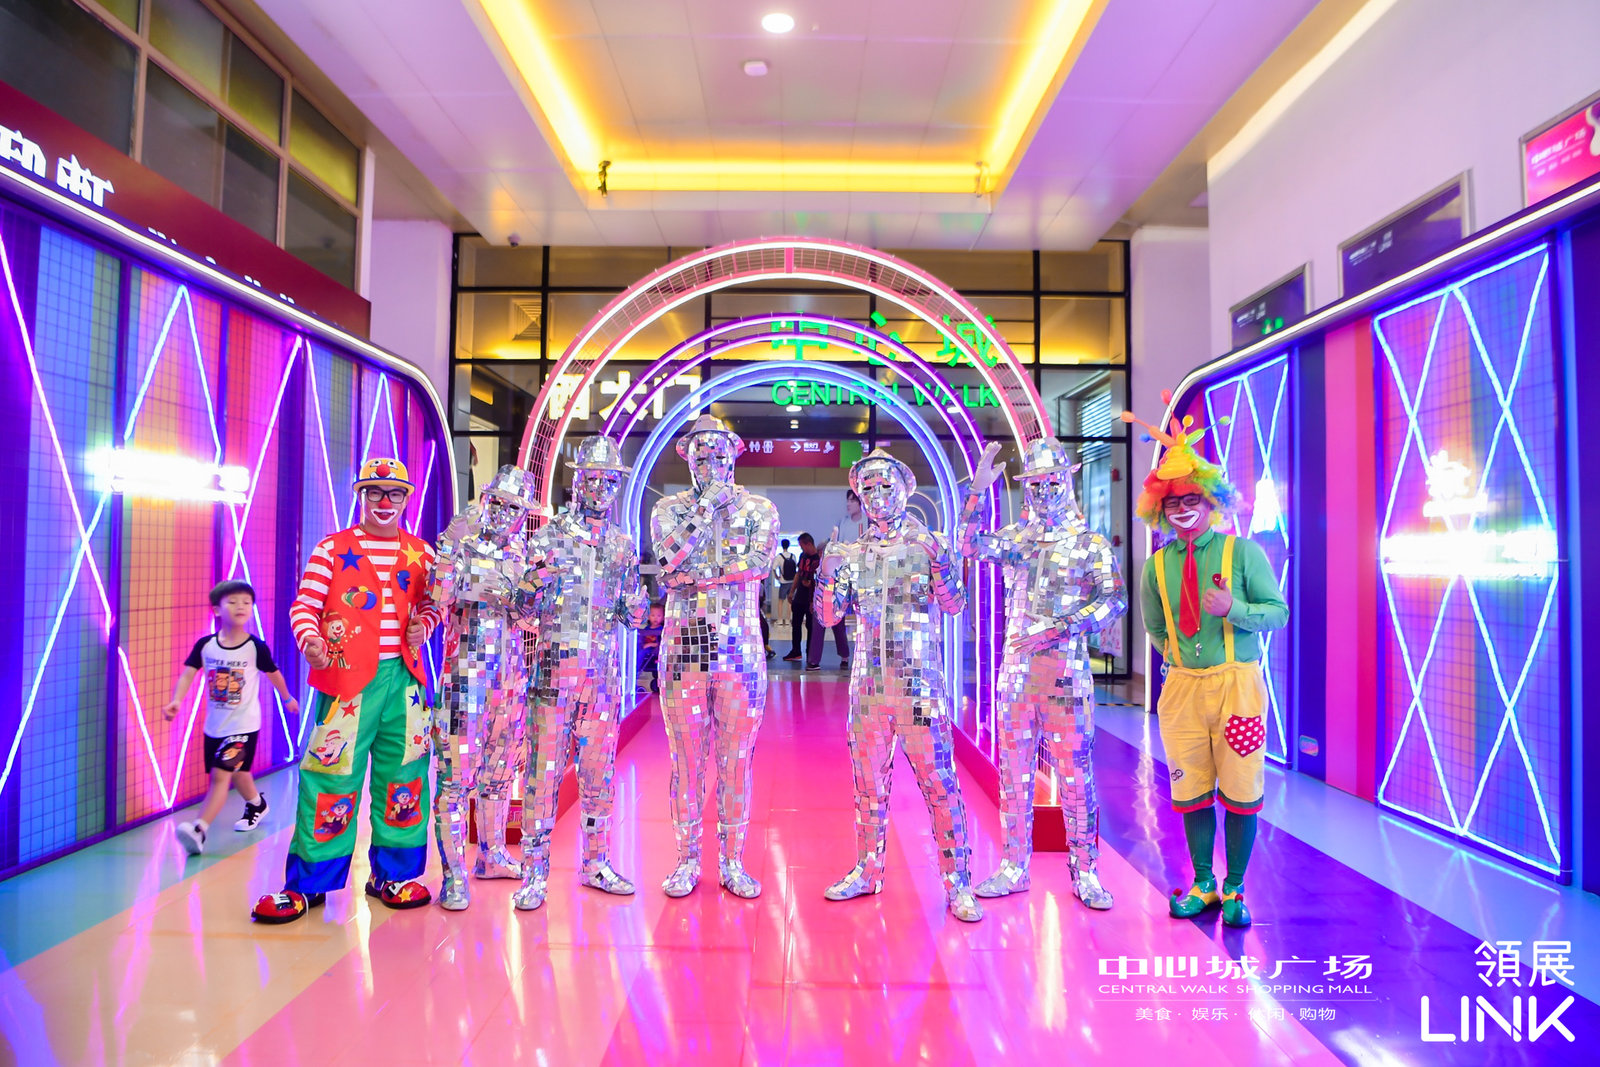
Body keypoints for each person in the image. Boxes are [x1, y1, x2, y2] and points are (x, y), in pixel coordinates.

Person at [251, 458, 441, 923]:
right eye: (374, 491)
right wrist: (310, 641)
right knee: (331, 777)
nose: (384, 501)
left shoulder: (422, 554)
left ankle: (393, 875)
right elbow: (304, 606)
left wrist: (425, 624)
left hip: (406, 683)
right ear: (361, 496)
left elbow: (434, 604)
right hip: (345, 685)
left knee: (405, 777)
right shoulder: (332, 549)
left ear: (406, 499)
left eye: (394, 493)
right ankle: (309, 883)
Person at [1123, 397, 1289, 928]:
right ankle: (1203, 883)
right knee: (1191, 789)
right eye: (1172, 502)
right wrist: (1178, 660)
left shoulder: (1244, 554)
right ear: (1159, 508)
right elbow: (1155, 627)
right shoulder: (1155, 566)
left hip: (1238, 687)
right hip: (1182, 689)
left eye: (1192, 498)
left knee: (1241, 789)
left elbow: (1278, 613)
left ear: (1211, 500)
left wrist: (1234, 609)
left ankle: (1236, 888)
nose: (1182, 509)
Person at [957, 440, 1126, 909]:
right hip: (1016, 676)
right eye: (1036, 485)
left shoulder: (1089, 543)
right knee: (1013, 776)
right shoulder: (1019, 539)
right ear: (1026, 489)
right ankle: (1014, 866)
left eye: (1053, 482)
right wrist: (977, 493)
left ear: (1067, 481)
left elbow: (1114, 600)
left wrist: (1063, 626)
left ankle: (1085, 871)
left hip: (1066, 675)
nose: (1045, 492)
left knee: (1075, 776)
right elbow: (968, 545)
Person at [817, 448, 983, 922]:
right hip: (868, 690)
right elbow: (829, 617)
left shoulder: (929, 544)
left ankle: (957, 883)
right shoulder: (852, 554)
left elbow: (954, 605)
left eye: (885, 485)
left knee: (940, 784)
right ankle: (867, 871)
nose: (876, 495)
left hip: (919, 687)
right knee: (867, 788)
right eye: (867, 488)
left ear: (905, 489)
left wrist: (942, 564)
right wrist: (827, 574)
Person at [514, 436, 649, 910]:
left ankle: (595, 862)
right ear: (577, 482)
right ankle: (534, 874)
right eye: (593, 479)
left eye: (610, 481)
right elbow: (521, 610)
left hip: (603, 677)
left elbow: (634, 615)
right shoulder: (548, 537)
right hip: (554, 671)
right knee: (542, 774)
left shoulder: (621, 545)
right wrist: (533, 582)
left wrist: (638, 602)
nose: (601, 489)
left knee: (599, 773)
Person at [650, 414, 779, 898]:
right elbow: (668, 560)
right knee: (685, 763)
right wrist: (705, 509)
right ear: (688, 459)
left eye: (718, 455)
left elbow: (759, 564)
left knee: (736, 762)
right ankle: (686, 861)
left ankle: (732, 861)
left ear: (734, 455)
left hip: (740, 653)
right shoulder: (668, 509)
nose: (710, 465)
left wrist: (700, 575)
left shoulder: (760, 508)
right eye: (700, 457)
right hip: (683, 652)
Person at [429, 464, 536, 911]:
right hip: (464, 672)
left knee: (500, 772)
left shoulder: (523, 553)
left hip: (509, 675)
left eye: (514, 508)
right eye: (498, 503)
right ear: (486, 500)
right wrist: (450, 551)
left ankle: (491, 855)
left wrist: (526, 592)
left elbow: (531, 617)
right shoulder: (460, 543)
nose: (504, 513)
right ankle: (454, 875)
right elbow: (438, 598)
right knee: (455, 778)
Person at [163, 580, 298, 855]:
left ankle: (199, 829)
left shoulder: (255, 647)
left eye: (246, 602)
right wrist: (176, 700)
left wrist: (287, 698)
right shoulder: (206, 646)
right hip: (215, 728)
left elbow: (274, 674)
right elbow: (188, 674)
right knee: (240, 774)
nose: (241, 606)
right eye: (233, 601)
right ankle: (257, 804)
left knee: (220, 776)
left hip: (244, 726)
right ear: (217, 609)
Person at [783, 533, 819, 664]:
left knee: (810, 626)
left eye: (802, 545)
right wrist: (792, 591)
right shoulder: (803, 556)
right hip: (799, 596)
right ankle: (796, 651)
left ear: (808, 544)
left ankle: (810, 653)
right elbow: (798, 574)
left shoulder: (818, 559)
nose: (801, 548)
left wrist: (812, 586)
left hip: (811, 597)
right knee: (796, 624)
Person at [637, 601, 665, 694]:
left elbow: (661, 643)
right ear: (648, 616)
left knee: (642, 652)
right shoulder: (646, 629)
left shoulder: (661, 629)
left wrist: (649, 645)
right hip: (647, 651)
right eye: (653, 615)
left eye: (659, 616)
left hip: (654, 652)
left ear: (663, 617)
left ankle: (636, 669)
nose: (655, 618)